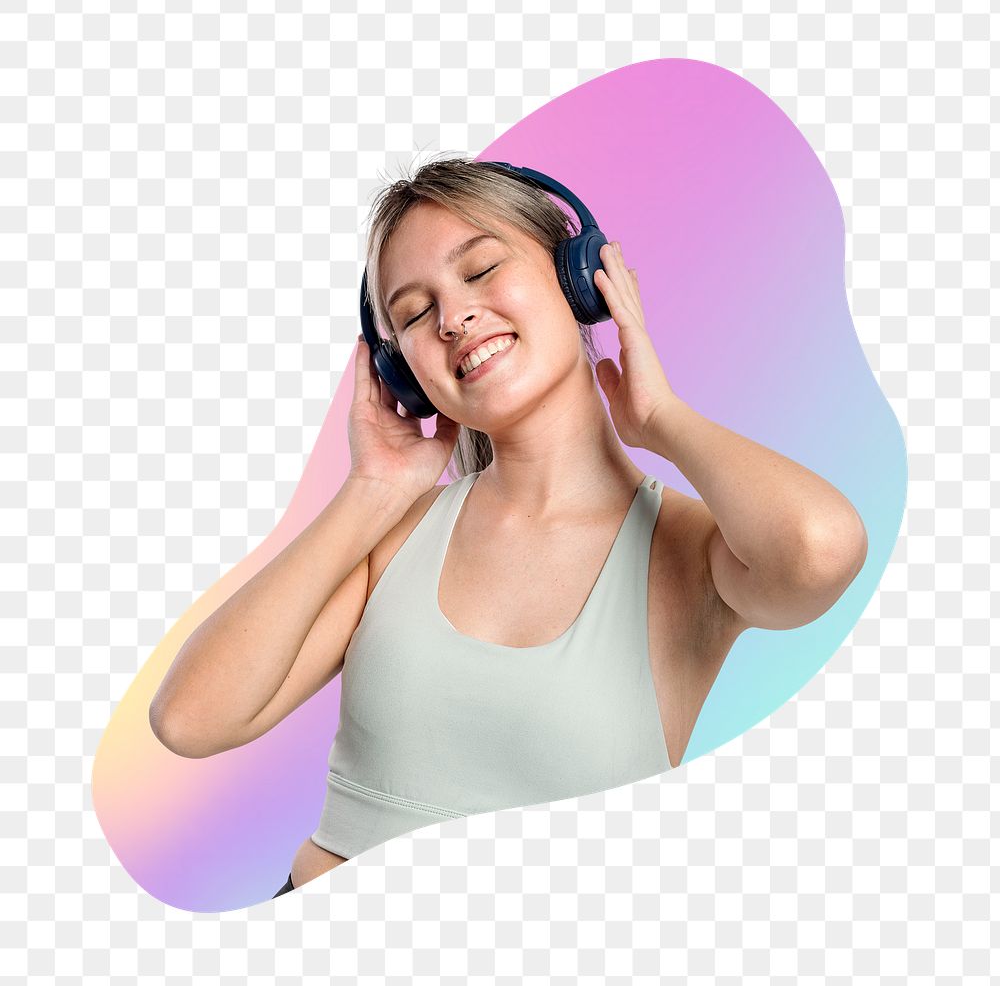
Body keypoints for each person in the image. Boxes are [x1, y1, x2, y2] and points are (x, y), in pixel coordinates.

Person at [150, 156, 868, 897]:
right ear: (406, 375)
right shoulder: (395, 536)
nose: (453, 318)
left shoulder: (692, 554)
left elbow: (820, 550)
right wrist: (371, 491)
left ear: (581, 279)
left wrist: (661, 418)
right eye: (414, 313)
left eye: (482, 269)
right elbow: (191, 719)